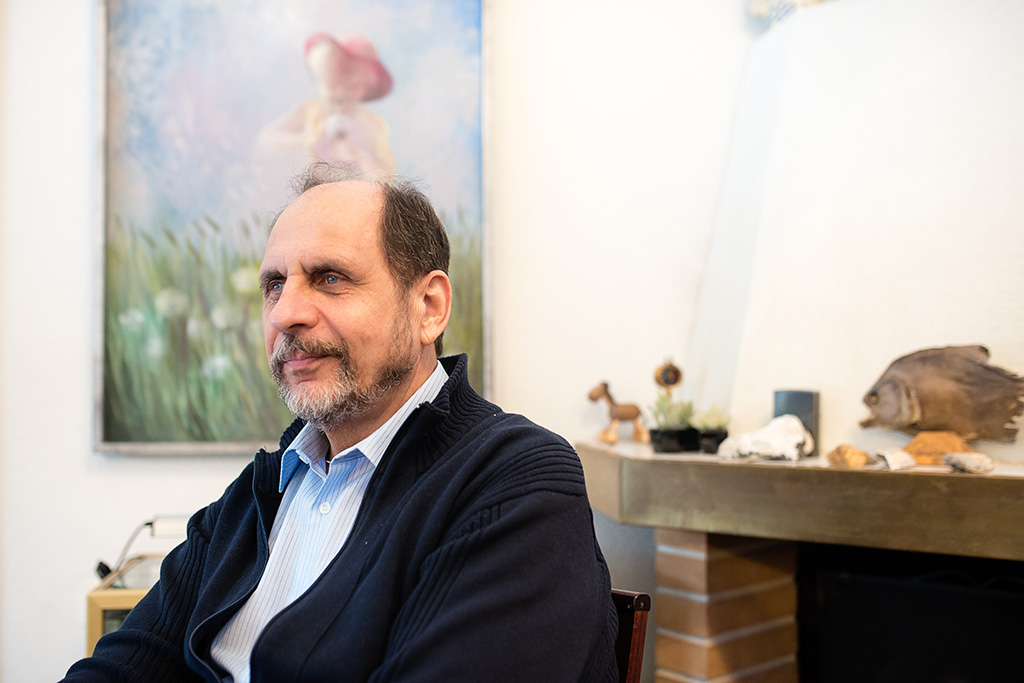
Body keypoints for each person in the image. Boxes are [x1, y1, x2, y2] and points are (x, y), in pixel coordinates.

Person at [63, 164, 619, 682]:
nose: (286, 313)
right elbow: (122, 667)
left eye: (329, 278)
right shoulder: (257, 495)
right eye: (274, 285)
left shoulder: (517, 482)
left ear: (428, 307)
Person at [257, 33, 397, 179]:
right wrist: (306, 140)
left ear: (367, 88)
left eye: (353, 85)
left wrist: (364, 160)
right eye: (333, 82)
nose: (341, 91)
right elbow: (266, 141)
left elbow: (388, 174)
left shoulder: (373, 125)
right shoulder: (310, 111)